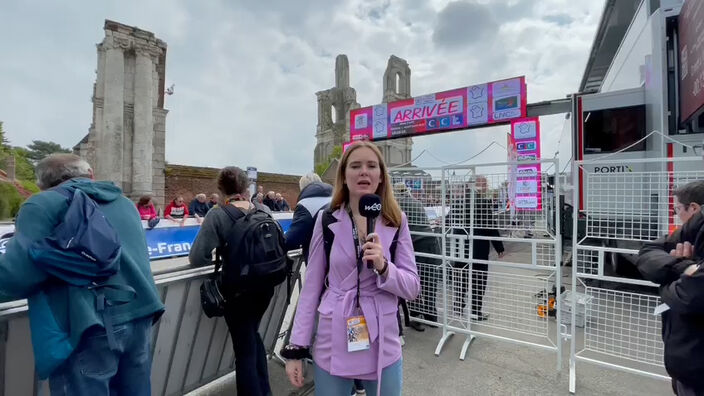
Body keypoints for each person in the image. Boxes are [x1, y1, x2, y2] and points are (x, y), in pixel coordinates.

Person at [0, 154, 164, 395]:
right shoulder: (125, 203)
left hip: (88, 325)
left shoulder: (42, 205)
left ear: (42, 184)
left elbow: (14, 276)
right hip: (140, 314)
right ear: (91, 175)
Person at [282, 141, 420, 396]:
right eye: (355, 166)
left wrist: (384, 266)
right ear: (344, 176)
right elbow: (311, 287)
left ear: (381, 177)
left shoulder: (396, 220)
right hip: (333, 335)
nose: (363, 172)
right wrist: (296, 348)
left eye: (371, 166)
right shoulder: (325, 219)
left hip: (382, 337)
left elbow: (412, 287)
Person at [189, 166, 275, 396]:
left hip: (237, 291)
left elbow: (197, 257)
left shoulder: (217, 215)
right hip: (265, 287)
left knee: (244, 350)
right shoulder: (263, 209)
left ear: (220, 189)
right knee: (252, 337)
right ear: (247, 187)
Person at [636, 180, 704, 395]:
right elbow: (648, 251)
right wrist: (682, 268)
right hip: (688, 365)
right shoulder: (692, 229)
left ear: (693, 208)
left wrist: (668, 280)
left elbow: (688, 296)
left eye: (677, 210)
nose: (676, 217)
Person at [451, 176, 504, 321]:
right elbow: (490, 226)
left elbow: (450, 221)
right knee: (478, 280)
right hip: (478, 248)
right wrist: (499, 247)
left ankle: (458, 308)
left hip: (460, 248)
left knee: (460, 278)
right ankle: (475, 311)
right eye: (485, 184)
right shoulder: (482, 202)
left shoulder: (458, 201)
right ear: (478, 185)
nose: (486, 186)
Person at [393, 182, 441, 331]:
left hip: (416, 245)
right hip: (431, 242)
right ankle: (431, 315)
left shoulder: (397, 205)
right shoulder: (417, 202)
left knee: (414, 280)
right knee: (430, 281)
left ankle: (415, 314)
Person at [285, 172, 333, 259]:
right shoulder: (335, 198)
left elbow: (292, 238)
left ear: (302, 188)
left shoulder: (305, 204)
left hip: (319, 259)